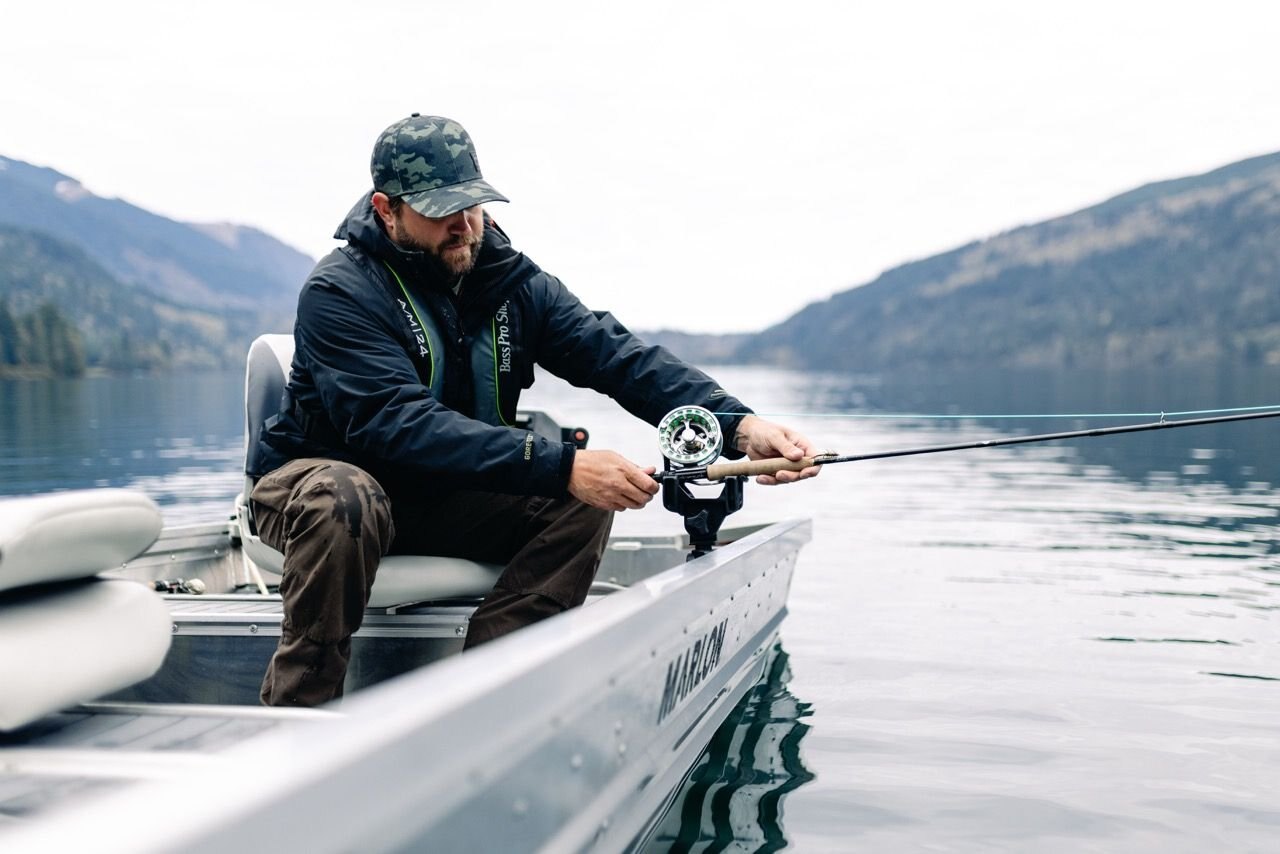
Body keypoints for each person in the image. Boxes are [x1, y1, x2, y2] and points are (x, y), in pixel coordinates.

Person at [248, 114, 820, 707]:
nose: (463, 225)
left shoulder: (513, 284)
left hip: (435, 495)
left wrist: (739, 426)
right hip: (317, 493)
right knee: (347, 497)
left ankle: (488, 699)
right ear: (387, 210)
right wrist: (561, 463)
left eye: (472, 205)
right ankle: (300, 716)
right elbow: (395, 423)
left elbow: (619, 358)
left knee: (583, 498)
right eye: (441, 210)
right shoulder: (340, 291)